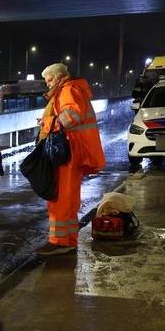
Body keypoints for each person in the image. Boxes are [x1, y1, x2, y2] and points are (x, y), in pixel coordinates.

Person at [36, 62, 106, 256]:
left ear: (59, 77)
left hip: (69, 153)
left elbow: (71, 117)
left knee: (61, 198)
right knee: (69, 198)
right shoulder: (73, 89)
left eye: (50, 80)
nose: (48, 84)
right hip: (72, 151)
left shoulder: (68, 90)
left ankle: (59, 242)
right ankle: (67, 240)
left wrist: (47, 122)